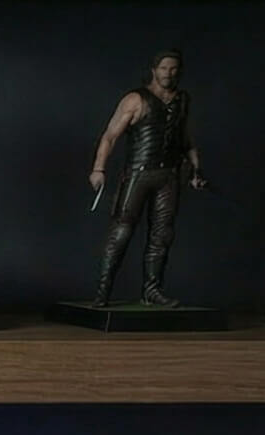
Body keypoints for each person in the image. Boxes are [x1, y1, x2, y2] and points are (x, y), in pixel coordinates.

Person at [88, 49, 208, 308]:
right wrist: (98, 169)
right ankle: (103, 291)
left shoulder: (182, 100)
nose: (169, 73)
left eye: (174, 68)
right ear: (154, 70)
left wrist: (196, 172)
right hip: (139, 174)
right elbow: (110, 136)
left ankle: (151, 291)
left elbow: (187, 140)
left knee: (162, 235)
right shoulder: (136, 99)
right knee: (121, 231)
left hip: (168, 177)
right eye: (164, 68)